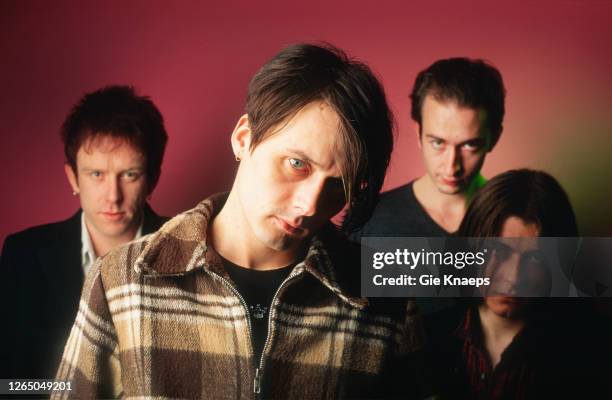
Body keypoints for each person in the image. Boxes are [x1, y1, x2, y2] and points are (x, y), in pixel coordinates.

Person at [52, 44, 423, 399]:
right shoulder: (122, 280)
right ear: (244, 138)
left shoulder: (387, 296)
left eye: (338, 184)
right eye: (297, 164)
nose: (309, 205)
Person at [0, 85, 169, 379]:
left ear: (152, 178)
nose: (113, 196)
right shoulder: (23, 255)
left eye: (130, 175)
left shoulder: (189, 248)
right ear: (73, 177)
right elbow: (9, 385)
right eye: (97, 174)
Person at [425, 169, 585, 399]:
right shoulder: (426, 335)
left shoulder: (587, 351)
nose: (512, 278)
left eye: (535, 259)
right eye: (498, 251)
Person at [346, 57, 506, 238]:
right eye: (438, 142)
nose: (451, 167)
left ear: (494, 138)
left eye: (470, 145)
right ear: (418, 132)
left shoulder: (519, 220)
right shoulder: (369, 220)